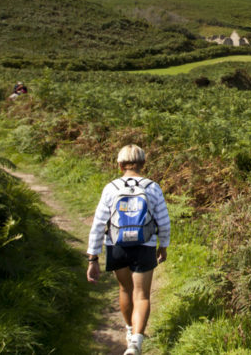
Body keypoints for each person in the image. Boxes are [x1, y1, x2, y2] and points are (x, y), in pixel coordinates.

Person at [87, 145, 170, 355]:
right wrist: (164, 245)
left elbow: (98, 224)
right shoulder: (152, 187)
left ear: (120, 164)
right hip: (145, 245)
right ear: (143, 163)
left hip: (117, 246)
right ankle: (136, 342)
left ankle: (129, 330)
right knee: (142, 295)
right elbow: (164, 221)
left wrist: (93, 257)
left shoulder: (111, 188)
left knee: (125, 289)